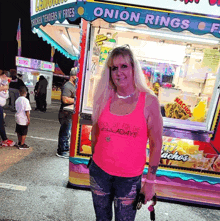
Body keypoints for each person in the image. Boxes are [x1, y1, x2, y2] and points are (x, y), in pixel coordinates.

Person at [89, 46, 163, 221]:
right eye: (114, 68)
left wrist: (150, 182)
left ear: (133, 69)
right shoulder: (103, 97)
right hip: (99, 173)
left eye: (124, 66)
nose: (118, 72)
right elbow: (95, 131)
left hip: (129, 179)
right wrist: (94, 159)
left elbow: (156, 144)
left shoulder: (149, 101)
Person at [56, 68, 77, 158]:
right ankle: (61, 151)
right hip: (65, 113)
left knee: (67, 132)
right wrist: (77, 100)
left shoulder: (73, 85)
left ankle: (65, 148)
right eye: (77, 76)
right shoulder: (67, 86)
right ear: (72, 76)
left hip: (68, 113)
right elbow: (65, 99)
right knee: (64, 132)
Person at [0, 70, 16, 147]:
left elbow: (5, 94)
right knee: (1, 122)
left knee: (1, 122)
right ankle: (4, 140)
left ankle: (4, 139)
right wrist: (6, 86)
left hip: (0, 105)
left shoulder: (3, 82)